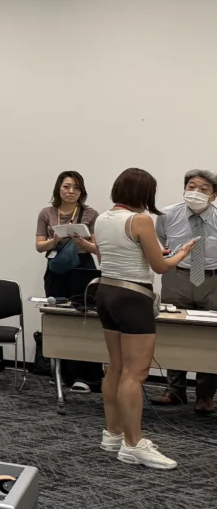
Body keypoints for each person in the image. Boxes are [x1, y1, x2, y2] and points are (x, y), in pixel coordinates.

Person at [92, 167, 194, 470]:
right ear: (144, 193)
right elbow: (160, 266)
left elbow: (109, 254)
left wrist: (155, 251)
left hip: (105, 292)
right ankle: (134, 444)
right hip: (132, 296)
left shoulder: (102, 218)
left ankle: (113, 434)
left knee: (115, 367)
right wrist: (183, 253)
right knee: (135, 374)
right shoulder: (140, 220)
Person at [152, 169, 217, 415]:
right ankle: (174, 390)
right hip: (176, 276)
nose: (196, 192)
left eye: (203, 189)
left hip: (212, 280)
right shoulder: (167, 214)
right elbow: (161, 241)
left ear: (213, 195)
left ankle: (205, 395)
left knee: (210, 337)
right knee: (174, 330)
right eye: (191, 186)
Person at [34, 171, 103, 393]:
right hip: (57, 267)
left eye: (76, 187)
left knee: (85, 318)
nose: (71, 191)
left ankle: (88, 377)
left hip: (83, 267)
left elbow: (98, 248)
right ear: (58, 189)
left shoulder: (91, 214)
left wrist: (83, 241)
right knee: (58, 316)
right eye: (66, 186)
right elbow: (39, 245)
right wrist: (53, 240)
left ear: (81, 191)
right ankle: (60, 373)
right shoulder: (47, 213)